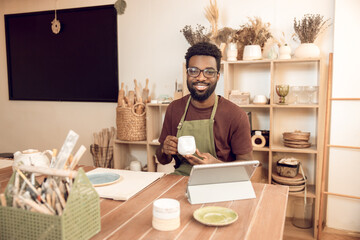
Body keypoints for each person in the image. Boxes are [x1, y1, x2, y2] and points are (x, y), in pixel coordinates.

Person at [155, 42, 253, 176]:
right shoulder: (174, 108)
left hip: (221, 181)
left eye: (209, 72)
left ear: (217, 77)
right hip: (180, 180)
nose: (201, 78)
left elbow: (247, 170)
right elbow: (163, 160)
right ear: (187, 74)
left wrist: (216, 165)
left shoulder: (236, 115)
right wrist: (164, 150)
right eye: (194, 71)